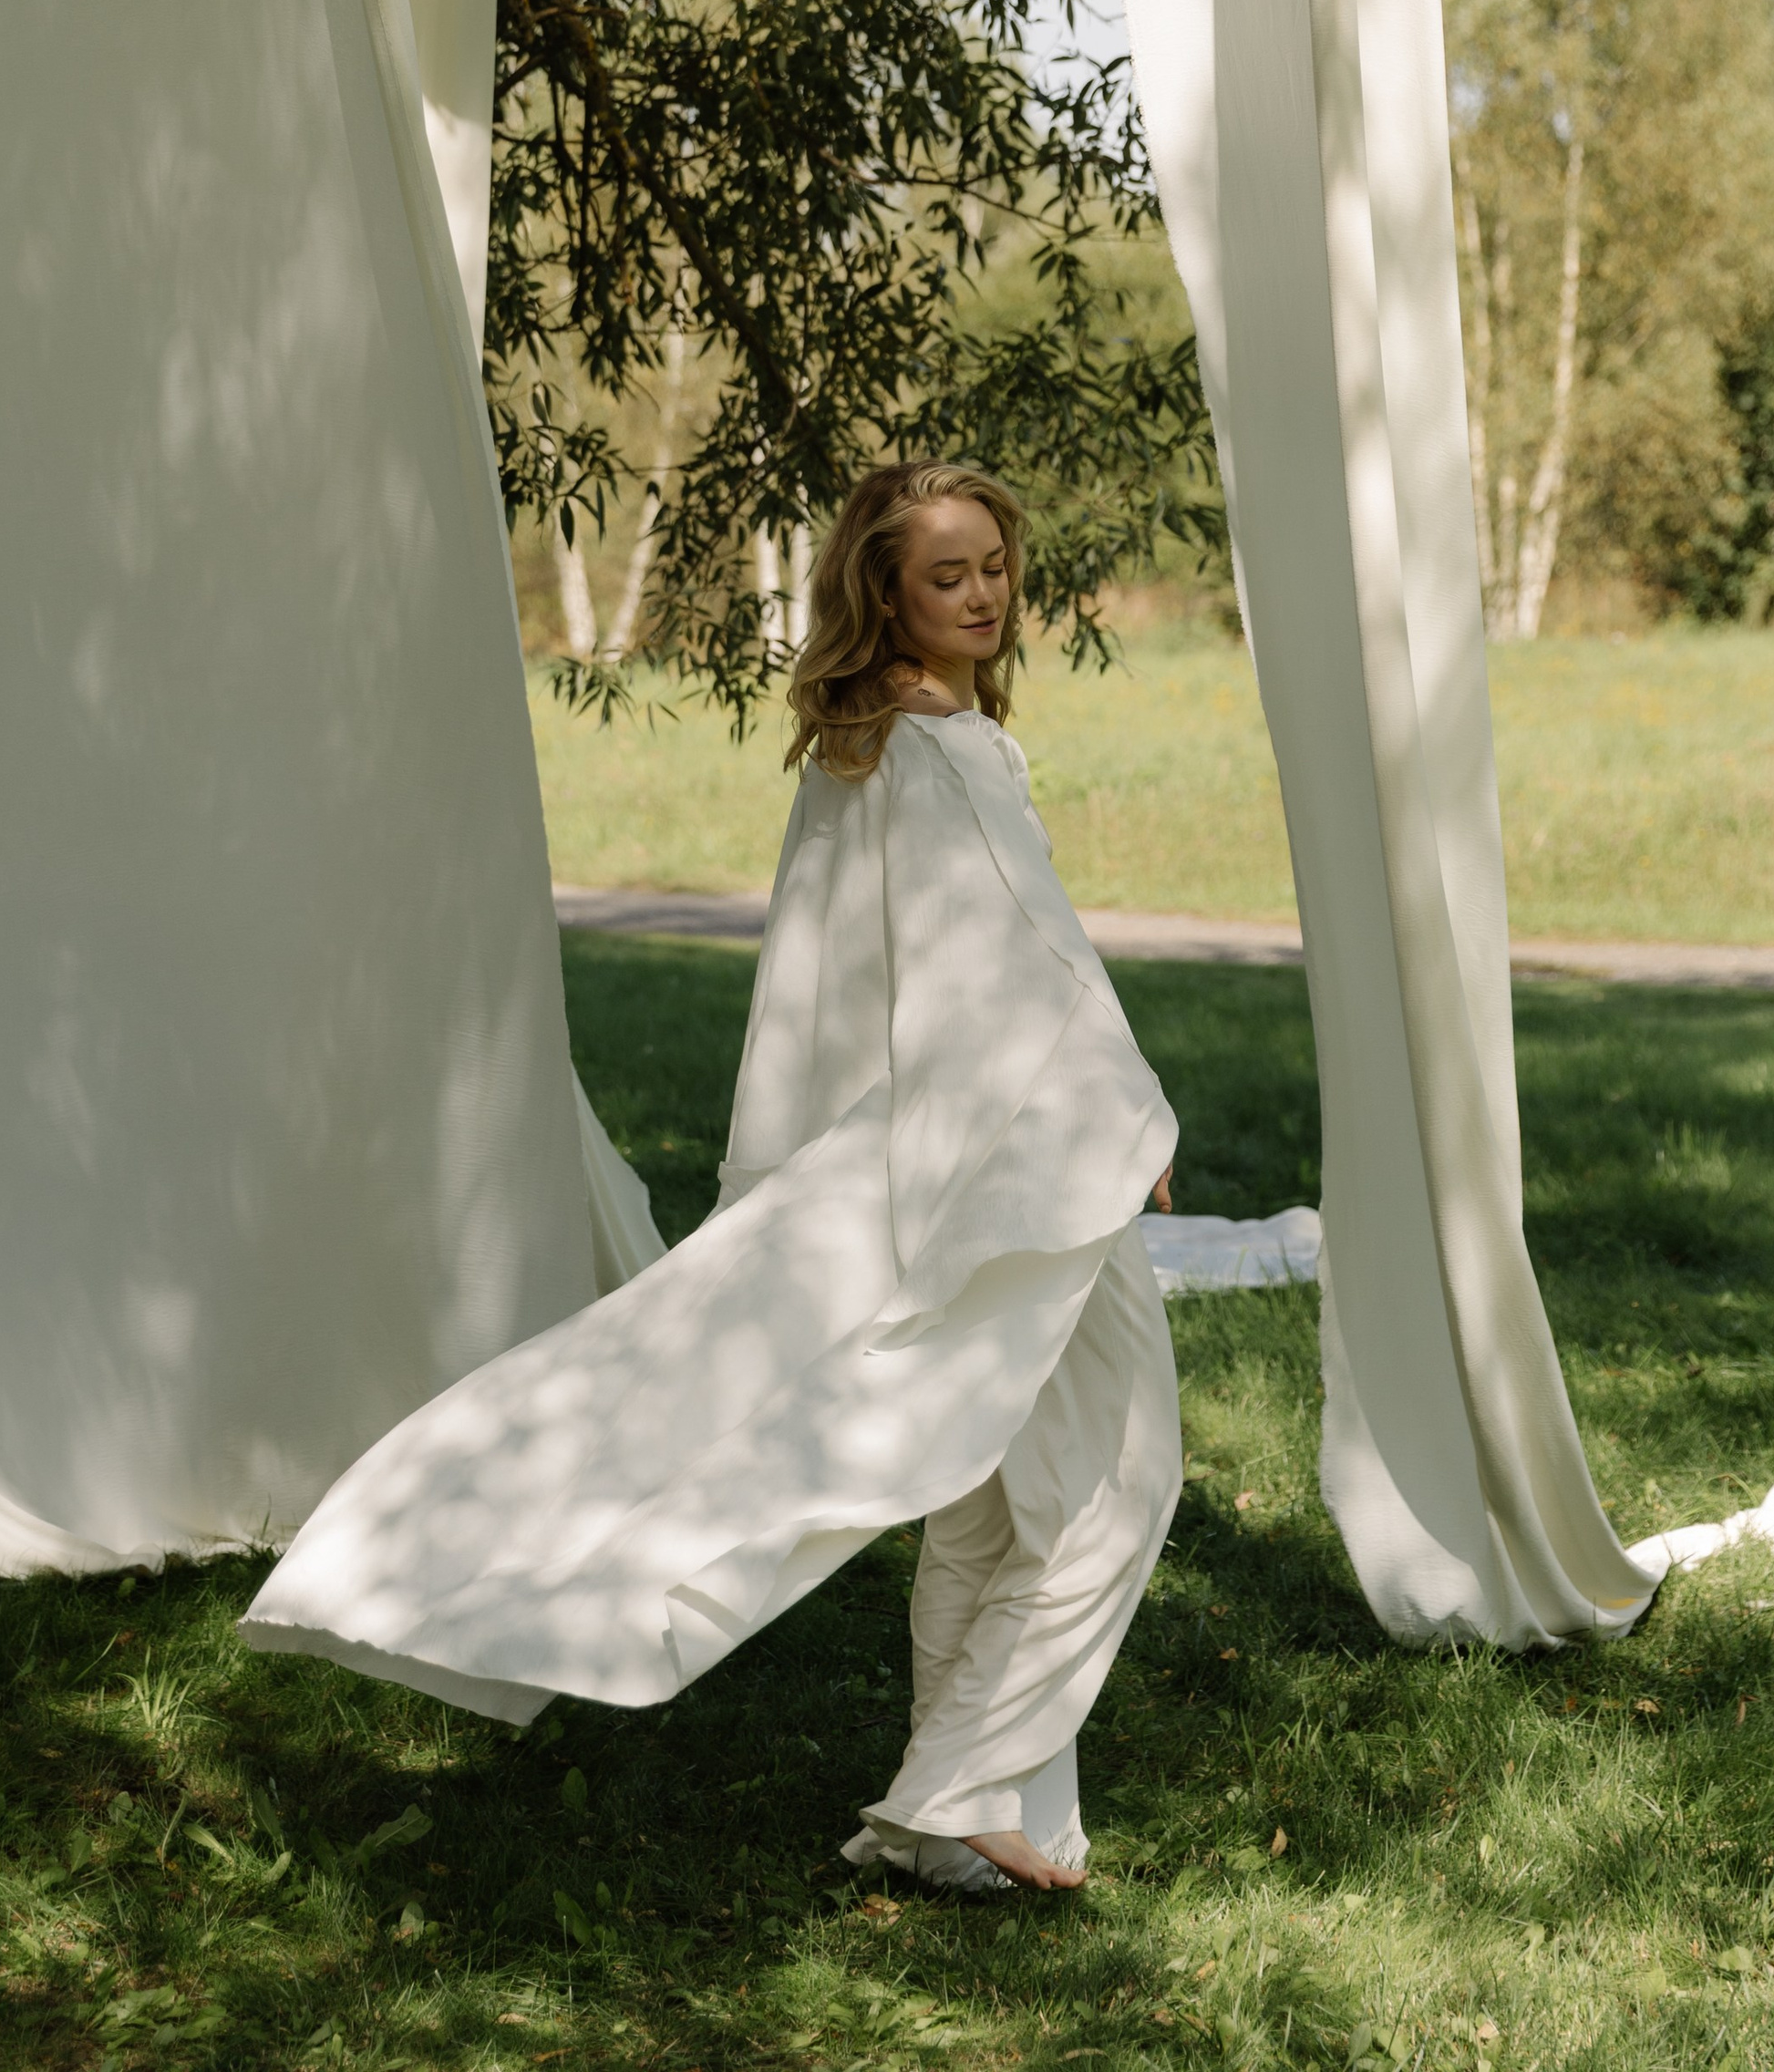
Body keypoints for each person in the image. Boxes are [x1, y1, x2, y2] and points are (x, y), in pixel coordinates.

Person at [242, 460, 1181, 1898]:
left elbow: (850, 981)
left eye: (996, 564)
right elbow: (1030, 966)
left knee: (991, 1503)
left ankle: (969, 1819)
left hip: (945, 1148)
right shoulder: (941, 751)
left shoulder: (861, 743)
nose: (985, 593)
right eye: (950, 574)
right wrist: (1137, 1119)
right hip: (1033, 1156)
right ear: (886, 591)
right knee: (1118, 1479)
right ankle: (951, 1791)